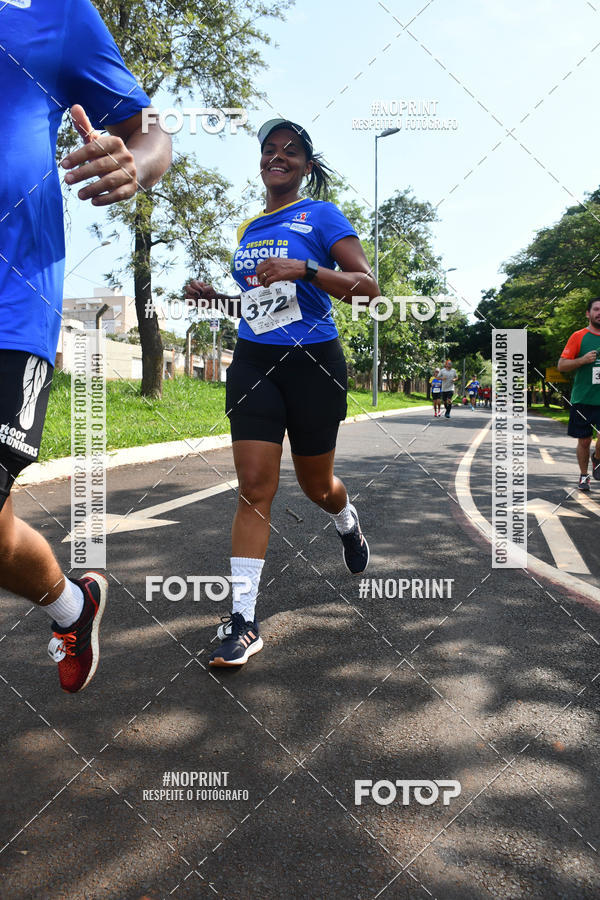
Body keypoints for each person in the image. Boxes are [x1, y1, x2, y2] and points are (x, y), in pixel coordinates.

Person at [0, 1, 172, 692]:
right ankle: (74, 602)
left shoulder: (57, 11)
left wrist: (135, 160)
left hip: (10, 308)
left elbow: (150, 128)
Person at [186, 118, 380, 668]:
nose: (277, 157)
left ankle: (346, 521)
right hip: (254, 363)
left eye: (289, 152)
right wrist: (217, 301)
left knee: (317, 485)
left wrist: (306, 267)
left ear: (307, 167)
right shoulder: (250, 227)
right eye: (269, 150)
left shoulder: (322, 215)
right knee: (254, 487)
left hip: (314, 364)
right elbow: (259, 305)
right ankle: (243, 621)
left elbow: (367, 289)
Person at [557, 298, 600, 492]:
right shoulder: (578, 336)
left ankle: (597, 458)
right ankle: (584, 476)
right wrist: (582, 360)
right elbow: (562, 365)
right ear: (588, 313)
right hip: (583, 398)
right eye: (596, 309)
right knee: (584, 440)